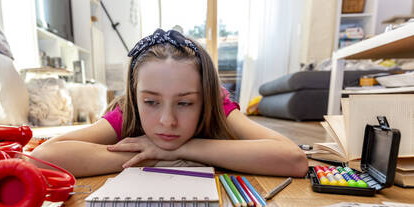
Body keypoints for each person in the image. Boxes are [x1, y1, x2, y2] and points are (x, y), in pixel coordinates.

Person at [31, 29, 308, 178]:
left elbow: (294, 160)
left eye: (185, 103)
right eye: (151, 101)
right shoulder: (127, 111)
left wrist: (185, 149)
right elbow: (43, 157)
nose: (167, 121)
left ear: (206, 98)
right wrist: (149, 155)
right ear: (135, 94)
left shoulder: (219, 105)